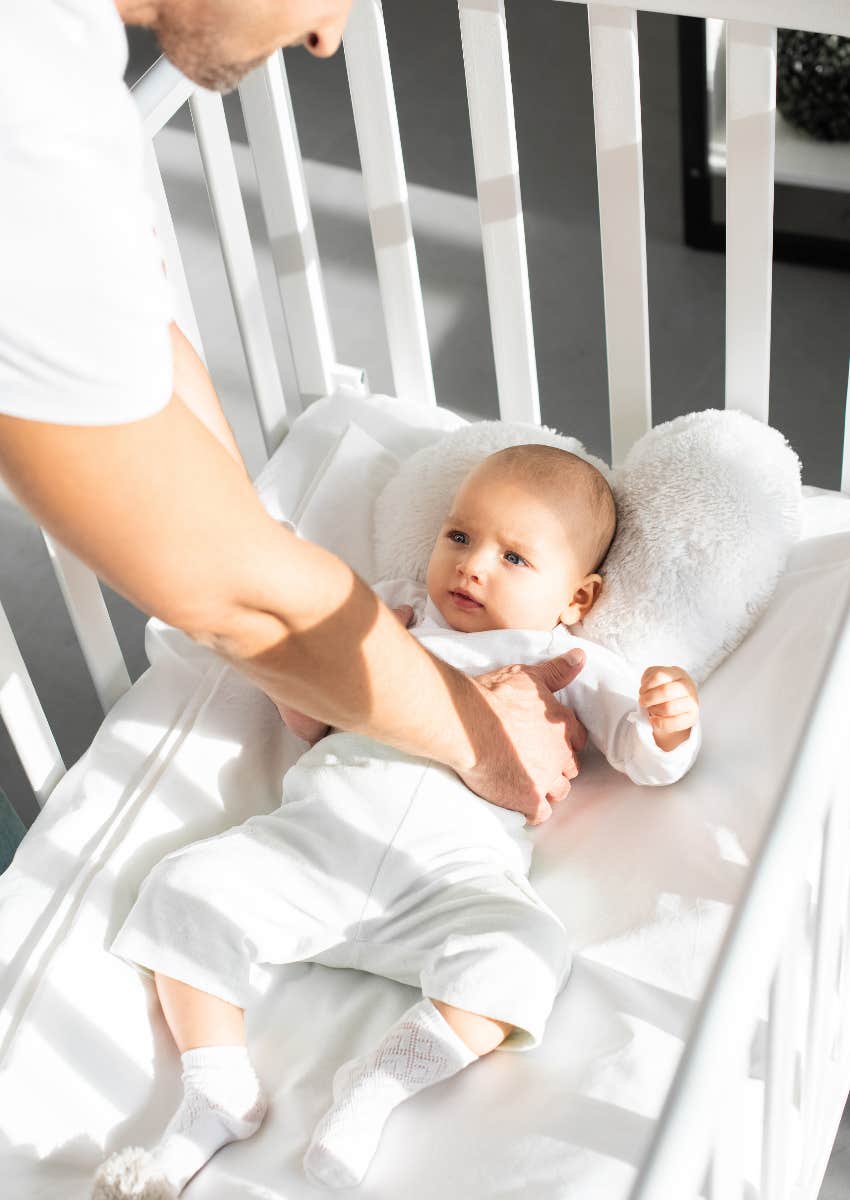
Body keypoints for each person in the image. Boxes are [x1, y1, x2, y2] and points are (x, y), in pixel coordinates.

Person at [0, 0, 588, 831]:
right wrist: (484, 741)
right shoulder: (21, 111)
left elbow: (138, 340)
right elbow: (239, 598)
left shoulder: (62, 75)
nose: (327, 35)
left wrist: (253, 530)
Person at [93, 445, 701, 1197]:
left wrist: (669, 724)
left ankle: (380, 1083)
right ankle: (214, 1085)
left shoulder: (567, 660)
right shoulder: (392, 618)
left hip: (449, 881)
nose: (473, 566)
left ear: (577, 599)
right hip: (312, 847)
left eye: (514, 557)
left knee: (528, 951)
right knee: (186, 885)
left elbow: (644, 752)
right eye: (459, 536)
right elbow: (310, 711)